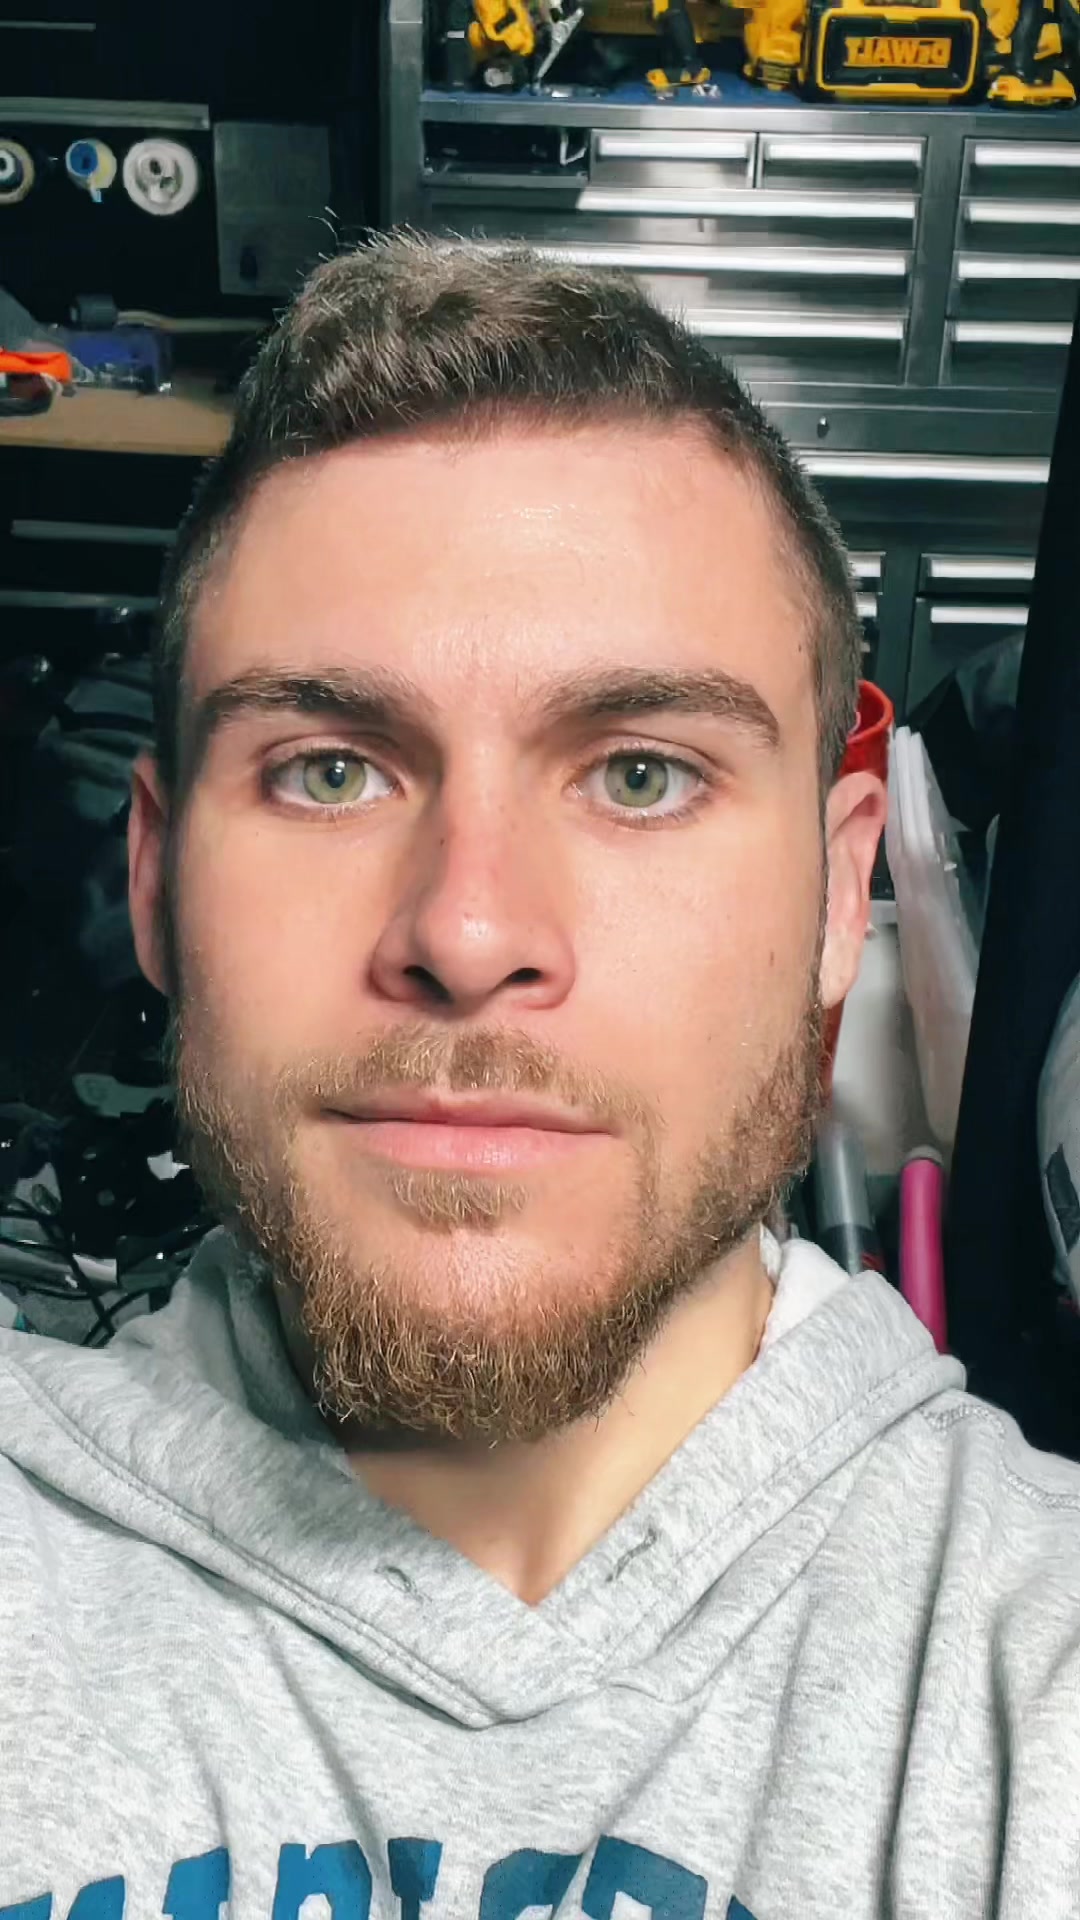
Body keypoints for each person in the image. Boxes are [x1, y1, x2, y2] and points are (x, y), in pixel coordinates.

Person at [1, 233, 1078, 1920]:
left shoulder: (1035, 1679)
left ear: (837, 895)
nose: (470, 929)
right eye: (331, 769)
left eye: (641, 774)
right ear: (153, 880)